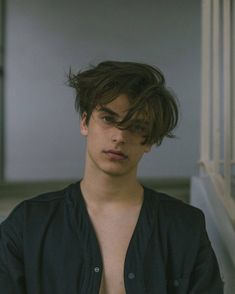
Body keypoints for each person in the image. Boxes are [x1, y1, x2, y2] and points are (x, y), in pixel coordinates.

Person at [0, 61, 223, 294]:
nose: (119, 136)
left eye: (136, 126)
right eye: (108, 119)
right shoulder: (28, 224)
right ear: (85, 122)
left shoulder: (184, 227)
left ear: (149, 141)